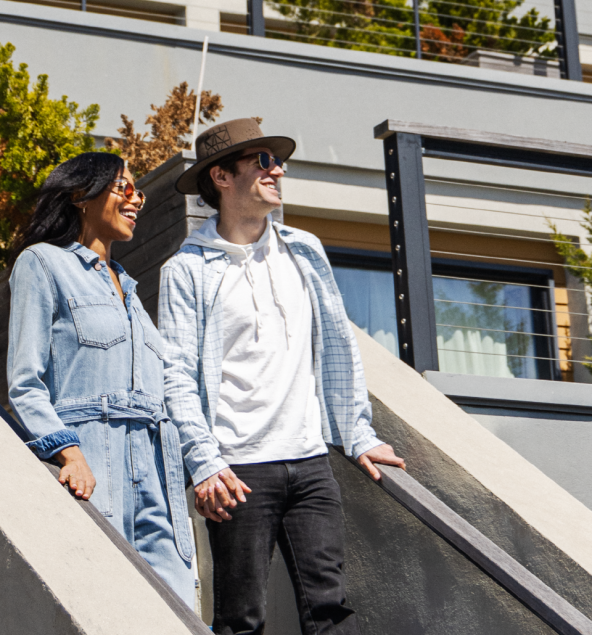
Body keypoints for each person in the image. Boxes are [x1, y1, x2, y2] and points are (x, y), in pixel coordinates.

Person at [159, 118, 405, 634]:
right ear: (222, 178)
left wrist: (358, 435)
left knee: (331, 612)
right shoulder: (187, 269)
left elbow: (337, 349)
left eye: (277, 160)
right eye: (263, 161)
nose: (280, 169)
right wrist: (204, 464)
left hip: (311, 462)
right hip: (238, 471)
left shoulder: (304, 250)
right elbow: (177, 376)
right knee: (240, 620)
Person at [7, 152, 195, 605]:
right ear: (80, 195)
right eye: (124, 188)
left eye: (139, 191)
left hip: (156, 480)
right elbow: (25, 382)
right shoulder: (43, 264)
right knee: (105, 603)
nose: (136, 200)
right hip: (93, 463)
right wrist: (67, 452)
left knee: (178, 611)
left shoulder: (131, 293)